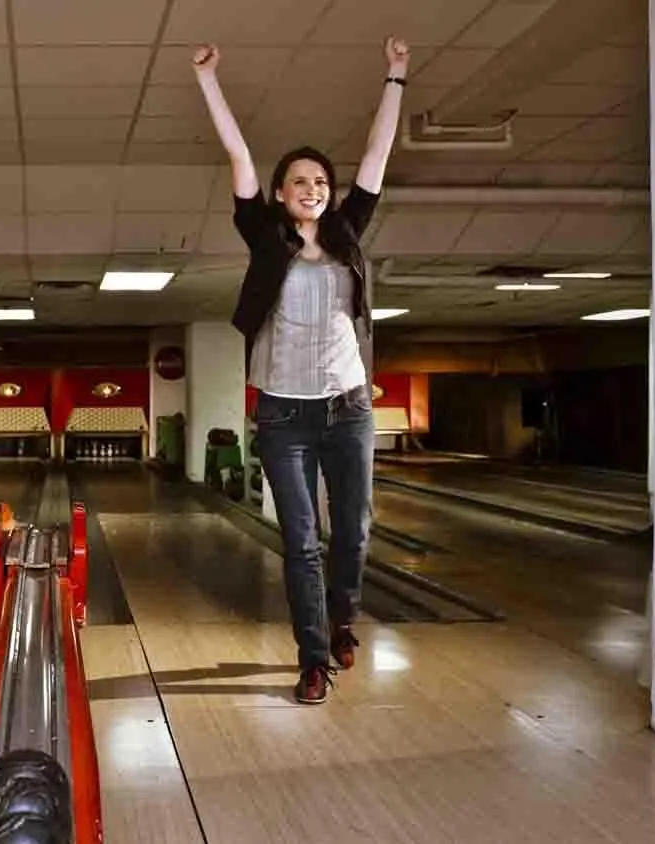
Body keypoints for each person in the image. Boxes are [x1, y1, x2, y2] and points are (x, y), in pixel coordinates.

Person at [193, 36, 410, 703]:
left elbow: (377, 154)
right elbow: (237, 154)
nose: (311, 189)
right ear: (281, 194)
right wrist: (209, 80)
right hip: (283, 412)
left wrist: (395, 77)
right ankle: (313, 657)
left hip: (348, 407)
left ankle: (343, 615)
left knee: (355, 530)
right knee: (302, 542)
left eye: (320, 181)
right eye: (299, 182)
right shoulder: (265, 238)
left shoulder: (348, 233)